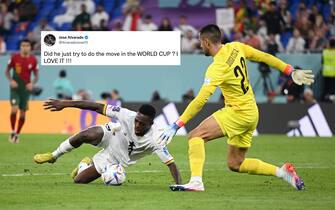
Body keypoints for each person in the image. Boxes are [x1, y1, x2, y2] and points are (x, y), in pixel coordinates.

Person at [157, 24, 314, 192]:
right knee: (235, 163)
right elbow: (263, 56)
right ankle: (282, 172)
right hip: (252, 113)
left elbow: (200, 100)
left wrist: (177, 124)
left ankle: (196, 181)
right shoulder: (236, 47)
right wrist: (289, 70)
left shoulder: (217, 67)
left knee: (196, 136)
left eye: (201, 42)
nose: (200, 46)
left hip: (237, 112)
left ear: (207, 42)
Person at [34, 99, 182, 185]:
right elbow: (97, 107)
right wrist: (65, 104)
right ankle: (53, 156)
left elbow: (171, 164)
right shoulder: (127, 115)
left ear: (151, 124)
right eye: (137, 121)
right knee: (84, 135)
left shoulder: (156, 139)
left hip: (116, 158)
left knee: (79, 181)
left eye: (142, 124)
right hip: (112, 134)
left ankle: (83, 165)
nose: (137, 125)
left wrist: (180, 185)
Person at [5, 39, 38, 143]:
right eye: (23, 45)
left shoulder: (33, 59)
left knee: (23, 114)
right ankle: (12, 130)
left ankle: (17, 134)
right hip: (15, 87)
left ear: (30, 47)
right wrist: (11, 81)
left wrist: (32, 83)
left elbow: (36, 75)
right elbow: (7, 71)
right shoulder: (14, 57)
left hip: (25, 89)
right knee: (14, 109)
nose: (25, 47)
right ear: (20, 47)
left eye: (27, 45)